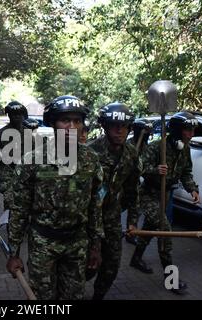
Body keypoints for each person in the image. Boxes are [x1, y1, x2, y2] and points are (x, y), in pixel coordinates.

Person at [6, 95, 104, 300]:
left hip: (77, 244)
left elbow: (95, 205)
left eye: (77, 121)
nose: (71, 126)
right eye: (65, 120)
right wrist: (13, 252)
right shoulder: (32, 161)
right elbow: (19, 209)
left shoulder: (90, 160)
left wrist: (95, 245)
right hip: (43, 244)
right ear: (52, 123)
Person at [129, 111, 200, 294]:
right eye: (187, 130)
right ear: (176, 131)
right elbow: (138, 168)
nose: (191, 134)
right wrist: (155, 170)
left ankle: (136, 259)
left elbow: (186, 172)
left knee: (149, 230)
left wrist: (192, 189)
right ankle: (171, 279)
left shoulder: (184, 149)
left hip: (165, 195)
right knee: (164, 232)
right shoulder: (156, 147)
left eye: (193, 130)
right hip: (148, 195)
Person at [87, 102, 141, 300]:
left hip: (111, 220)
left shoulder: (131, 154)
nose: (119, 130)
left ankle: (97, 297)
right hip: (88, 220)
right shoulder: (90, 153)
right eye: (114, 125)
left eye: (124, 126)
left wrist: (132, 220)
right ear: (104, 126)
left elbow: (133, 190)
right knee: (86, 267)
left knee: (111, 266)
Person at [0, 101, 27, 210]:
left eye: (19, 114)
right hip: (8, 174)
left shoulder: (28, 133)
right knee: (10, 205)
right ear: (9, 115)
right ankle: (10, 224)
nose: (17, 117)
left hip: (25, 174)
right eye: (14, 114)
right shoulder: (1, 134)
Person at [123, 118, 153, 245]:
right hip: (123, 183)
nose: (146, 136)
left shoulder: (146, 147)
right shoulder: (128, 145)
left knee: (134, 207)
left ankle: (131, 231)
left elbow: (145, 165)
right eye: (143, 133)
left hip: (137, 182)